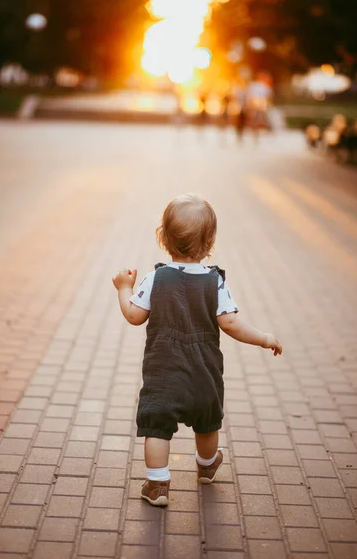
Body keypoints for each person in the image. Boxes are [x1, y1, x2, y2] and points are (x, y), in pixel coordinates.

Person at [112, 194, 282, 507]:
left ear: (164, 239)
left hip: (164, 371)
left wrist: (124, 288)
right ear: (210, 243)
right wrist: (264, 337)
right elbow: (231, 324)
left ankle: (158, 484)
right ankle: (206, 465)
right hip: (205, 370)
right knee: (207, 422)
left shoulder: (156, 278)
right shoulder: (215, 281)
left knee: (157, 427)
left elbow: (135, 316)